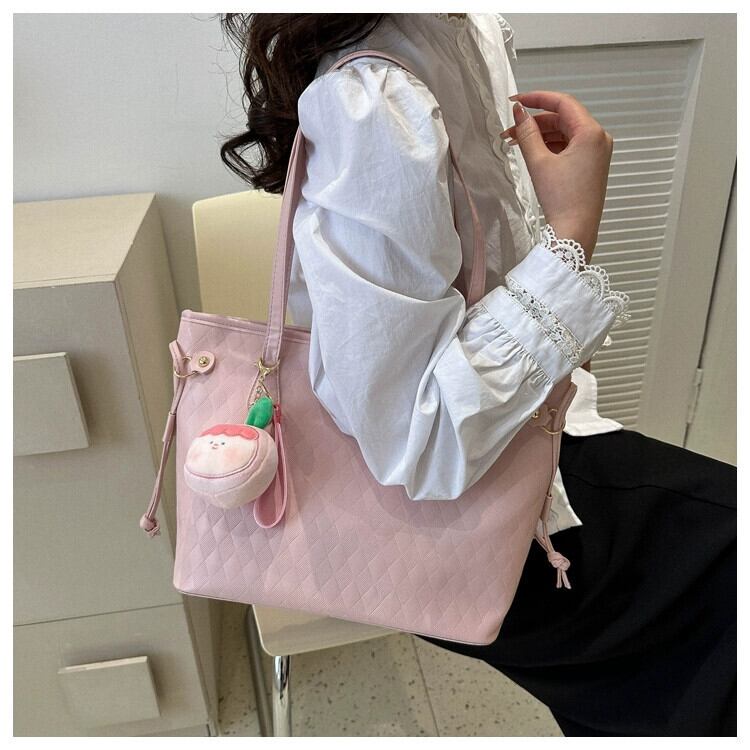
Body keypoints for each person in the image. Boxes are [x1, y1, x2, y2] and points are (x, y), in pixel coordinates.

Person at [219, 13, 736, 736]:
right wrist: (571, 232)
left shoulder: (466, 27)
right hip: (474, 524)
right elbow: (418, 443)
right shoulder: (376, 99)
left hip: (517, 456)